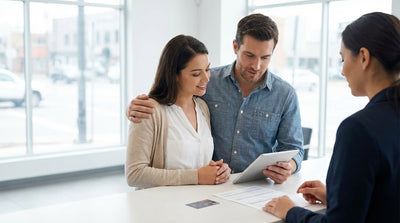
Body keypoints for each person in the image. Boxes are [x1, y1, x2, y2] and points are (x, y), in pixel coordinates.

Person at [126, 14, 304, 184]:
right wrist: (134, 108)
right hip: (208, 188)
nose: (257, 66)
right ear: (235, 46)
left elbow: (294, 149)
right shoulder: (208, 84)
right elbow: (168, 97)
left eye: (265, 57)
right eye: (249, 55)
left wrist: (289, 166)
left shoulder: (285, 94)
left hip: (253, 187)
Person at [264, 12, 400, 222]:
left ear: (363, 57)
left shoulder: (359, 129)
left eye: (342, 58)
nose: (343, 70)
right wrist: (338, 197)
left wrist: (290, 211)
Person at [125, 35, 231, 189]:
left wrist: (217, 171)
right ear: (174, 75)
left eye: (207, 69)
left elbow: (196, 161)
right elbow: (134, 174)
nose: (206, 78)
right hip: (161, 207)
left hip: (197, 204)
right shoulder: (149, 110)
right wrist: (196, 177)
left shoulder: (202, 107)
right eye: (196, 74)